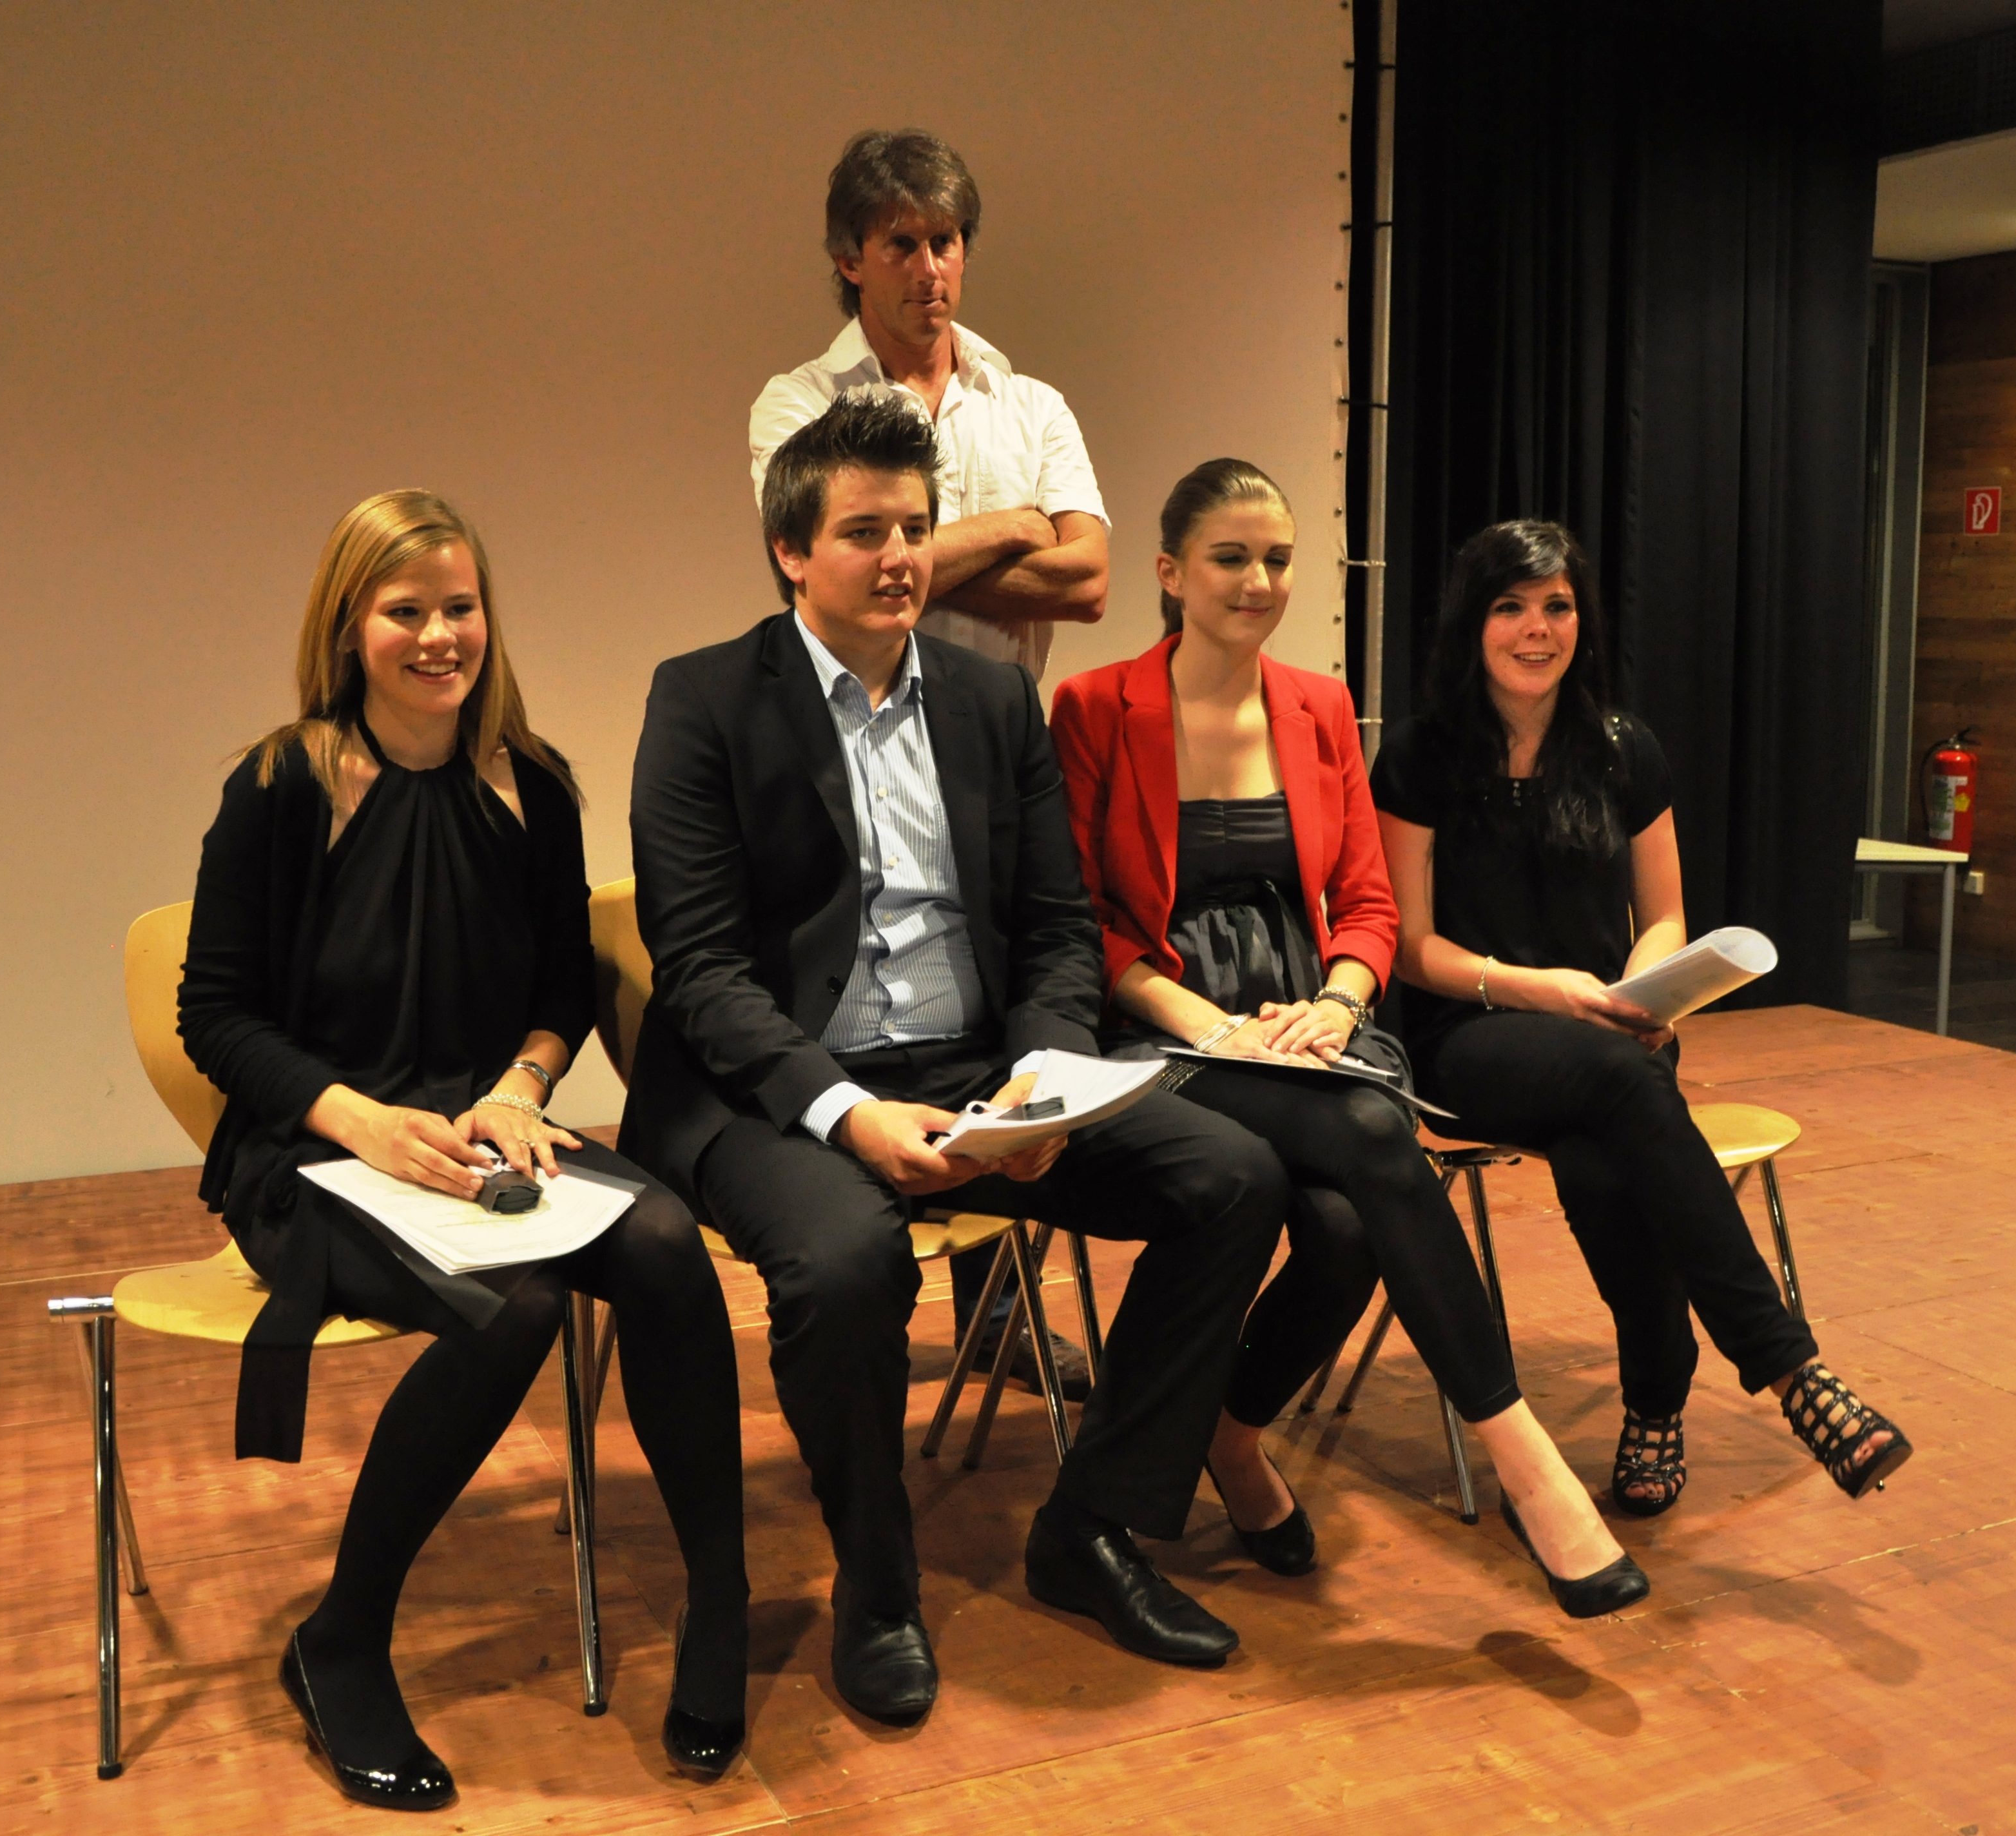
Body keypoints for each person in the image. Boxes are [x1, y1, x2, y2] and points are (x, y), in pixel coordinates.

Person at [622, 393, 1290, 1724]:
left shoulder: (989, 699)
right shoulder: (702, 699)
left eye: (916, 529)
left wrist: (1044, 1084)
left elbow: (1055, 929)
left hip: (981, 1066)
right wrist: (846, 1112)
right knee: (846, 1262)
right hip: (779, 1085)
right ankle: (877, 1586)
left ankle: (1090, 1525)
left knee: (1233, 1177)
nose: (900, 558)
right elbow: (700, 971)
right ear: (789, 550)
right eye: (864, 531)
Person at [176, 491, 749, 1811]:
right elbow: (216, 1016)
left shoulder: (533, 785)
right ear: (348, 626)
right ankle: (339, 1639)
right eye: (406, 611)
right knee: (517, 1306)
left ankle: (717, 1596)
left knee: (667, 1244)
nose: (440, 636)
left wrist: (522, 1083)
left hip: (485, 1132)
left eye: (460, 606)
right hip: (318, 1150)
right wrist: (362, 1120)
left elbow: (559, 988)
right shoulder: (279, 785)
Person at [1047, 462, 1649, 1616]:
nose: (1259, 581)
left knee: (1345, 1225)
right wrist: (1216, 1027)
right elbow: (1083, 924)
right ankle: (1525, 1461)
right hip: (1165, 1032)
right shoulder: (1094, 706)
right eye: (1230, 557)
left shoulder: (1320, 706)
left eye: (1278, 559)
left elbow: (1370, 904)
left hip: (1307, 1031)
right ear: (1170, 572)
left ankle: (1231, 1434)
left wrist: (1335, 1003)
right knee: (1377, 1135)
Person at [1373, 520, 1913, 1516]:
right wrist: (1556, 994)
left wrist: (1636, 991)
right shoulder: (1419, 755)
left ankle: (1658, 1405)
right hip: (1472, 1036)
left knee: (1604, 1149)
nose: (1537, 630)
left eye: (1557, 607)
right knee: (1623, 1089)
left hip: (1612, 1034)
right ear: (1473, 624)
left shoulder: (1625, 750)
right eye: (1511, 608)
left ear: (1583, 619)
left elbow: (1664, 915)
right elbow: (1411, 948)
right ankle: (1790, 1371)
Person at [749, 127, 1111, 1394]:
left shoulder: (1029, 402)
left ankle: (999, 1315)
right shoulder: (798, 404)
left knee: (995, 1004)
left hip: (995, 749)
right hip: (845, 746)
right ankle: (867, 1277)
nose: (929, 267)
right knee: (883, 995)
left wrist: (906, 553)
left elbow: (1091, 579)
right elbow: (811, 572)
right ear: (849, 256)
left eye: (946, 240)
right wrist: (1014, 525)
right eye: (900, 242)